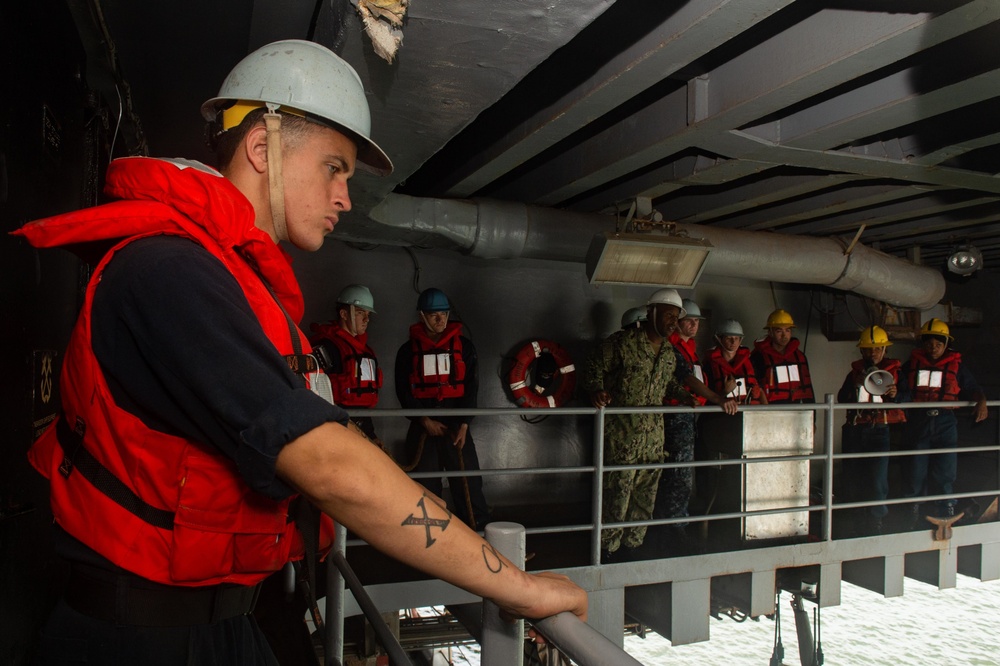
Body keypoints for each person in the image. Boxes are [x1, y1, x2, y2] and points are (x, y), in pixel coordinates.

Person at [15, 40, 585, 665]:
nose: (345, 196)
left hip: (222, 617)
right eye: (333, 168)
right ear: (262, 149)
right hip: (141, 640)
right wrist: (517, 586)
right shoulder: (168, 272)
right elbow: (328, 466)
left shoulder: (227, 279)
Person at [584, 289, 735, 560]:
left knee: (645, 496)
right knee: (617, 494)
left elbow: (667, 383)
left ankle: (634, 547)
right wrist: (596, 389)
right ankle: (607, 551)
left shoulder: (668, 352)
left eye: (675, 317)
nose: (672, 321)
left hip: (653, 438)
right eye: (667, 315)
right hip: (623, 436)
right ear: (651, 312)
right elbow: (593, 366)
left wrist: (685, 396)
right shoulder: (623, 343)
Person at [395, 287, 491, 530]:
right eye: (435, 315)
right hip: (422, 427)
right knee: (425, 489)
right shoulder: (407, 353)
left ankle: (477, 535)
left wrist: (464, 423)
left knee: (468, 483)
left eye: (444, 315)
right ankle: (432, 543)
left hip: (456, 425)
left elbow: (471, 387)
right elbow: (403, 391)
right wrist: (424, 420)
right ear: (422, 316)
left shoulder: (465, 348)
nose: (441, 320)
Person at [898, 318, 988, 524]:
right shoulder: (910, 365)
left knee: (946, 469)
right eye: (929, 344)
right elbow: (899, 388)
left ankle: (946, 508)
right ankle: (911, 510)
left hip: (945, 422)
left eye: (938, 344)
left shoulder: (957, 366)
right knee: (915, 468)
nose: (933, 348)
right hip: (918, 421)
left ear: (946, 345)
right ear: (923, 344)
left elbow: (973, 388)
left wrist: (981, 402)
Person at [836, 326, 905, 536]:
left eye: (877, 349)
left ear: (884, 350)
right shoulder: (853, 374)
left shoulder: (896, 375)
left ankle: (876, 522)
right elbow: (841, 398)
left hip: (879, 431)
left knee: (877, 480)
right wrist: (854, 386)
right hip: (855, 430)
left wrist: (895, 394)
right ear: (862, 352)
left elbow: (907, 400)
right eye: (868, 349)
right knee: (853, 478)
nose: (872, 353)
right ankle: (857, 520)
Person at [310, 284, 383, 443]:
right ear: (343, 314)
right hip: (334, 428)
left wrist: (372, 434)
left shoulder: (366, 352)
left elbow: (362, 402)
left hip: (363, 427)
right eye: (360, 313)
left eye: (368, 314)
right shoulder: (326, 348)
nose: (366, 319)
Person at [750, 309, 816, 404]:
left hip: (796, 409)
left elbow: (807, 385)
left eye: (787, 330)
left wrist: (813, 413)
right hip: (770, 409)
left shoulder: (799, 357)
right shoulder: (758, 357)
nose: (784, 335)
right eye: (779, 331)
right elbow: (755, 388)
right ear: (770, 332)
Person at [703, 319, 767, 405]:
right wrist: (724, 392)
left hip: (749, 413)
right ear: (719, 339)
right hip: (723, 414)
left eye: (736, 338)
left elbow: (761, 390)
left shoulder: (751, 361)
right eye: (729, 338)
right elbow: (705, 400)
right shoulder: (709, 365)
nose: (733, 342)